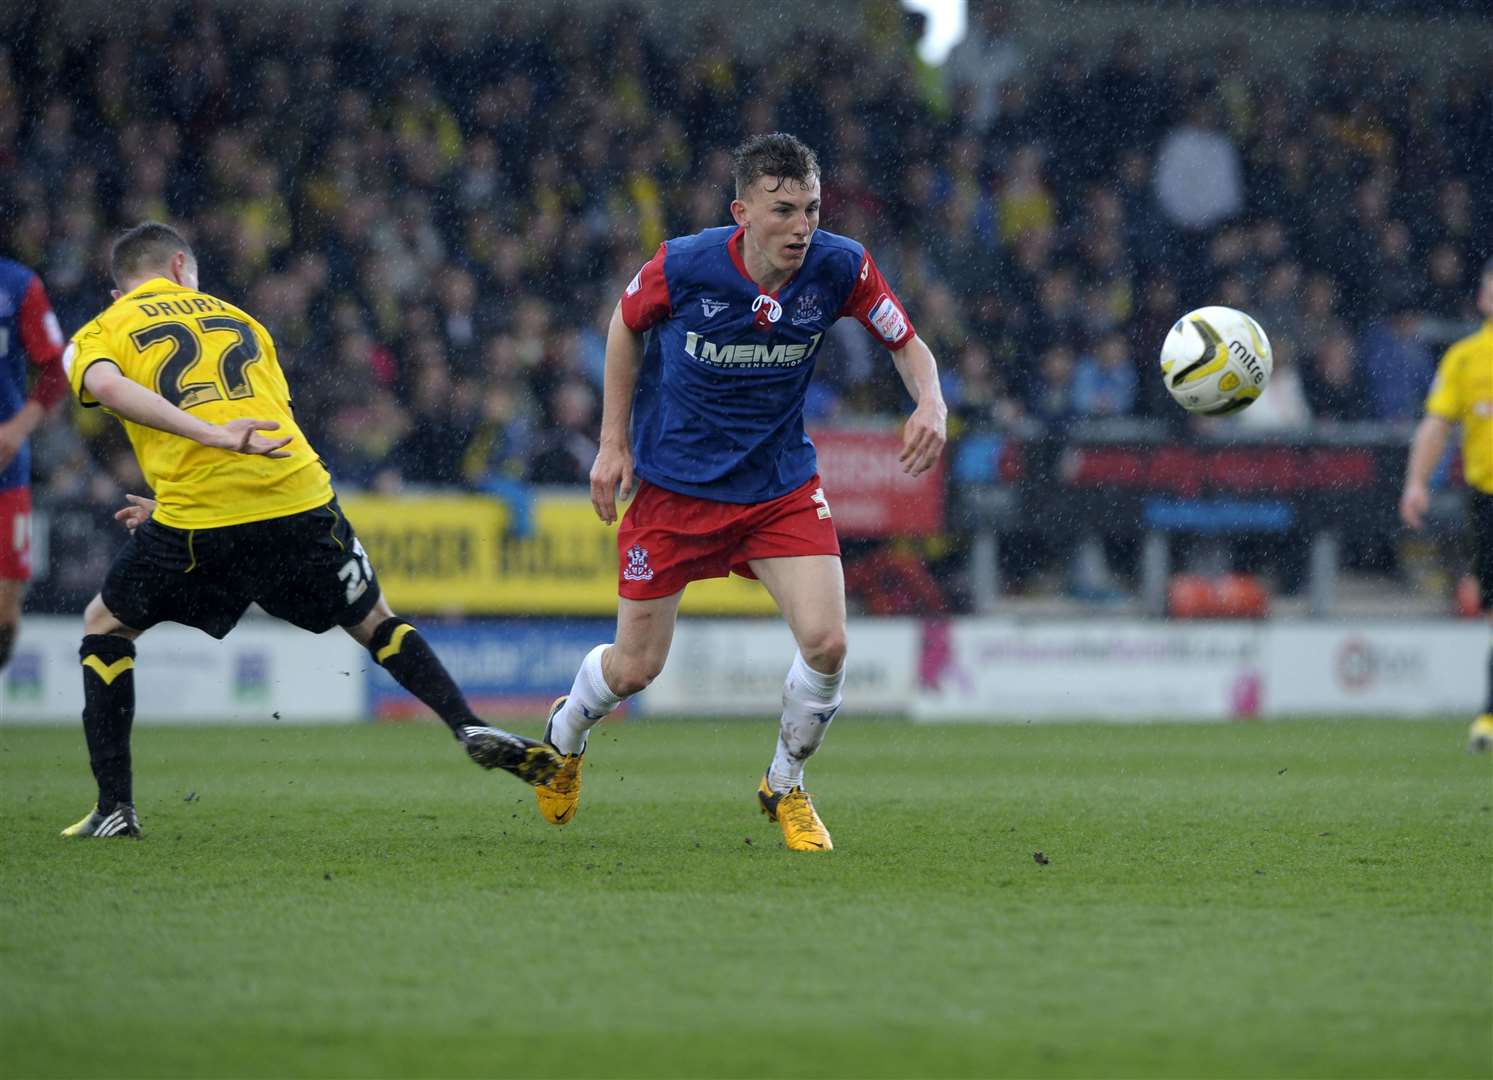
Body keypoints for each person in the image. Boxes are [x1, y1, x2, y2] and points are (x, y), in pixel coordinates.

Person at [58, 222, 559, 838]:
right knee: (375, 619)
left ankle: (115, 808)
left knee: (105, 625)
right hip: (299, 491)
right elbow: (266, 417)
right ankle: (466, 723)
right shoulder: (242, 320)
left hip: (202, 516)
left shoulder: (101, 329)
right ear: (182, 265)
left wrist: (200, 454)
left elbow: (111, 387)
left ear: (119, 289)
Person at [532, 133, 947, 851]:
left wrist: (931, 402)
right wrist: (611, 442)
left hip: (776, 487)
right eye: (783, 210)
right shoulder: (686, 265)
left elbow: (904, 341)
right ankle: (565, 732)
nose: (801, 226)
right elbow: (623, 328)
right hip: (675, 492)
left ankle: (784, 783)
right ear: (742, 211)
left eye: (812, 209)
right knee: (635, 669)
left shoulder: (840, 266)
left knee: (827, 641)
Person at [1399, 256, 1493, 753]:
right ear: (1482, 297)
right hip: (1488, 500)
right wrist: (1417, 481)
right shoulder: (1465, 358)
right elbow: (1437, 424)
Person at [0, 256, 68, 672]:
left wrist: (17, 428)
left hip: (5, 467)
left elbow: (56, 367)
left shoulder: (17, 285)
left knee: (6, 611)